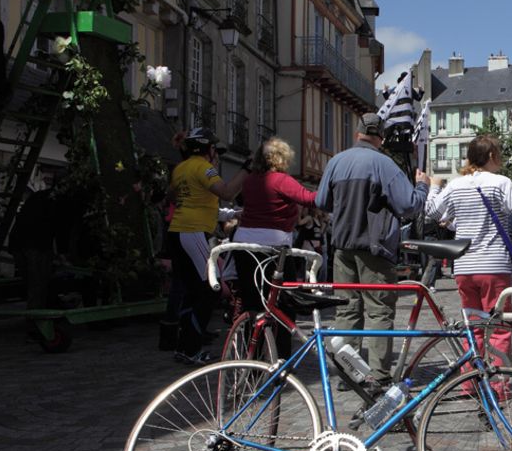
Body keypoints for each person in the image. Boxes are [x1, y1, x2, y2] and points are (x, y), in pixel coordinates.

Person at [315, 113, 430, 389]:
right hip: (375, 249)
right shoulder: (384, 164)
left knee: (347, 310)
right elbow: (408, 206)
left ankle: (348, 373)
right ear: (381, 137)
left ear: (357, 134)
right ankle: (378, 375)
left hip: (343, 246)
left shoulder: (336, 162)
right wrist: (424, 186)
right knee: (379, 311)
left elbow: (321, 201)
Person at [425, 135, 512, 371]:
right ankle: (498, 388)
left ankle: (471, 384)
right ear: (490, 156)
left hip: (465, 268)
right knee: (498, 329)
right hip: (494, 267)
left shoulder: (456, 185)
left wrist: (434, 187)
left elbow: (432, 213)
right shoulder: (500, 183)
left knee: (474, 327)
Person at [165, 127, 249, 364]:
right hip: (192, 233)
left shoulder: (182, 168)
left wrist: (233, 214)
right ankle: (191, 349)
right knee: (209, 290)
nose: (217, 155)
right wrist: (247, 168)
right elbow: (228, 191)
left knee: (192, 291)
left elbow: (177, 198)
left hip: (178, 232)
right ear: (208, 149)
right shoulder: (204, 167)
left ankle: (183, 348)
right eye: (215, 149)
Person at [233, 137, 316, 356]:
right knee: (283, 303)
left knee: (252, 305)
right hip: (274, 247)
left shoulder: (250, 180)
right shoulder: (280, 180)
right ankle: (282, 357)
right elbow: (309, 199)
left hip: (244, 244)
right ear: (281, 159)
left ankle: (251, 356)